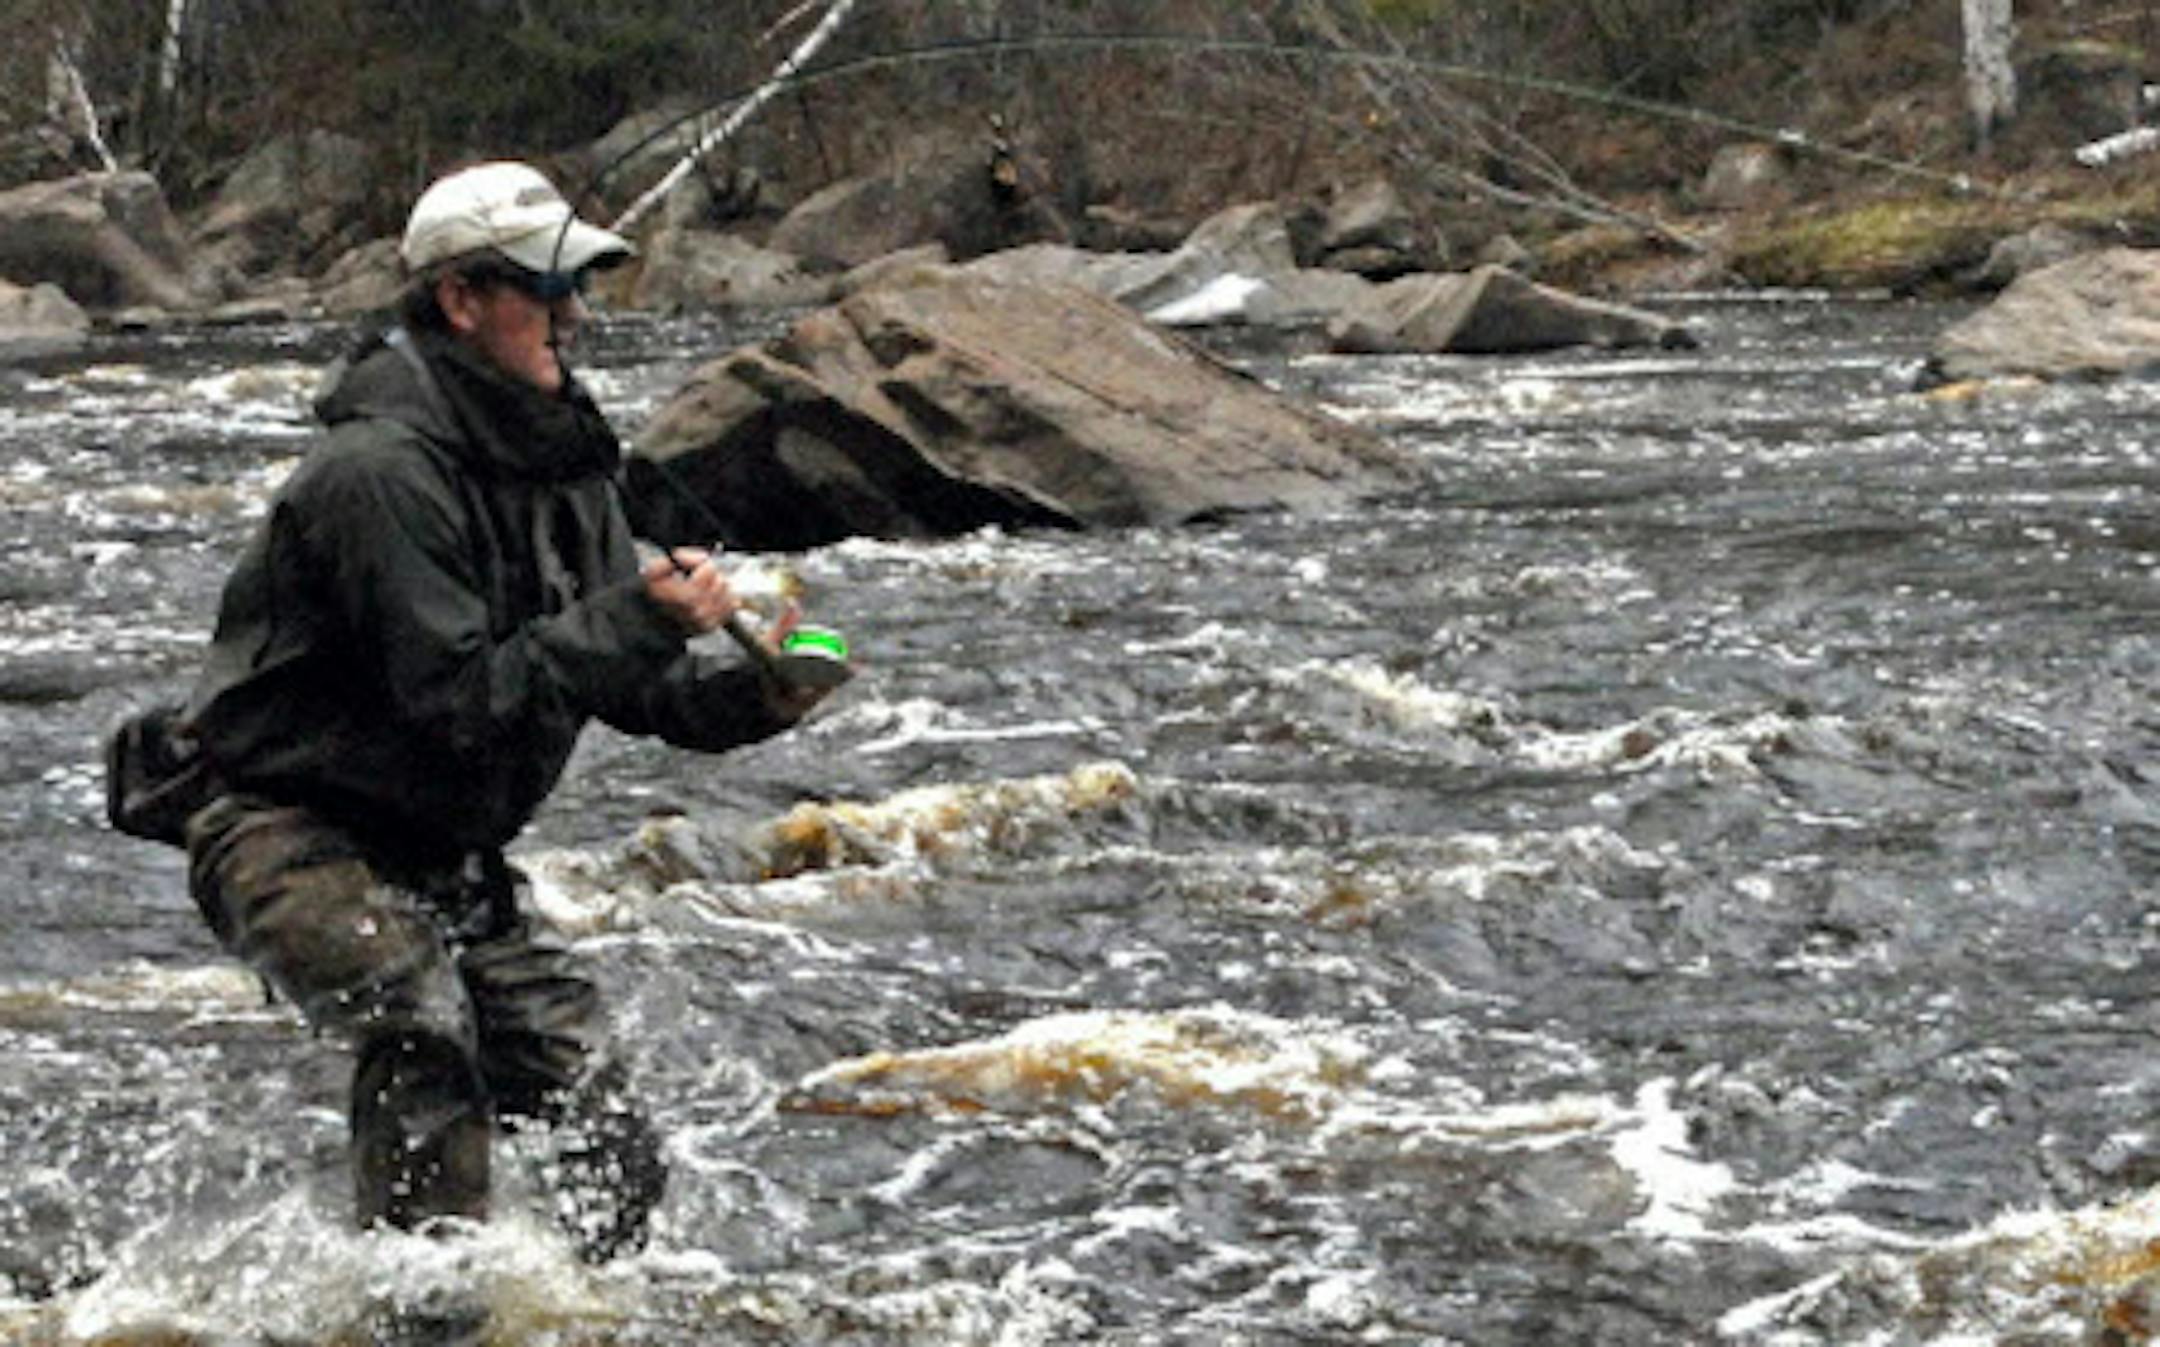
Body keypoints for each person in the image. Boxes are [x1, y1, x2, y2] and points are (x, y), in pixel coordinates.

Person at [176, 161, 829, 1261]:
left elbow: (633, 685)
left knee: (605, 1132)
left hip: (445, 852)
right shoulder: (375, 474)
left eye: (578, 285)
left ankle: (581, 1315)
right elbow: (458, 702)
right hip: (286, 834)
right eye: (545, 286)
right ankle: (424, 1313)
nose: (574, 314)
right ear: (459, 301)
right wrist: (639, 616)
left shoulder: (565, 463)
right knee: (420, 1025)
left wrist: (765, 690)